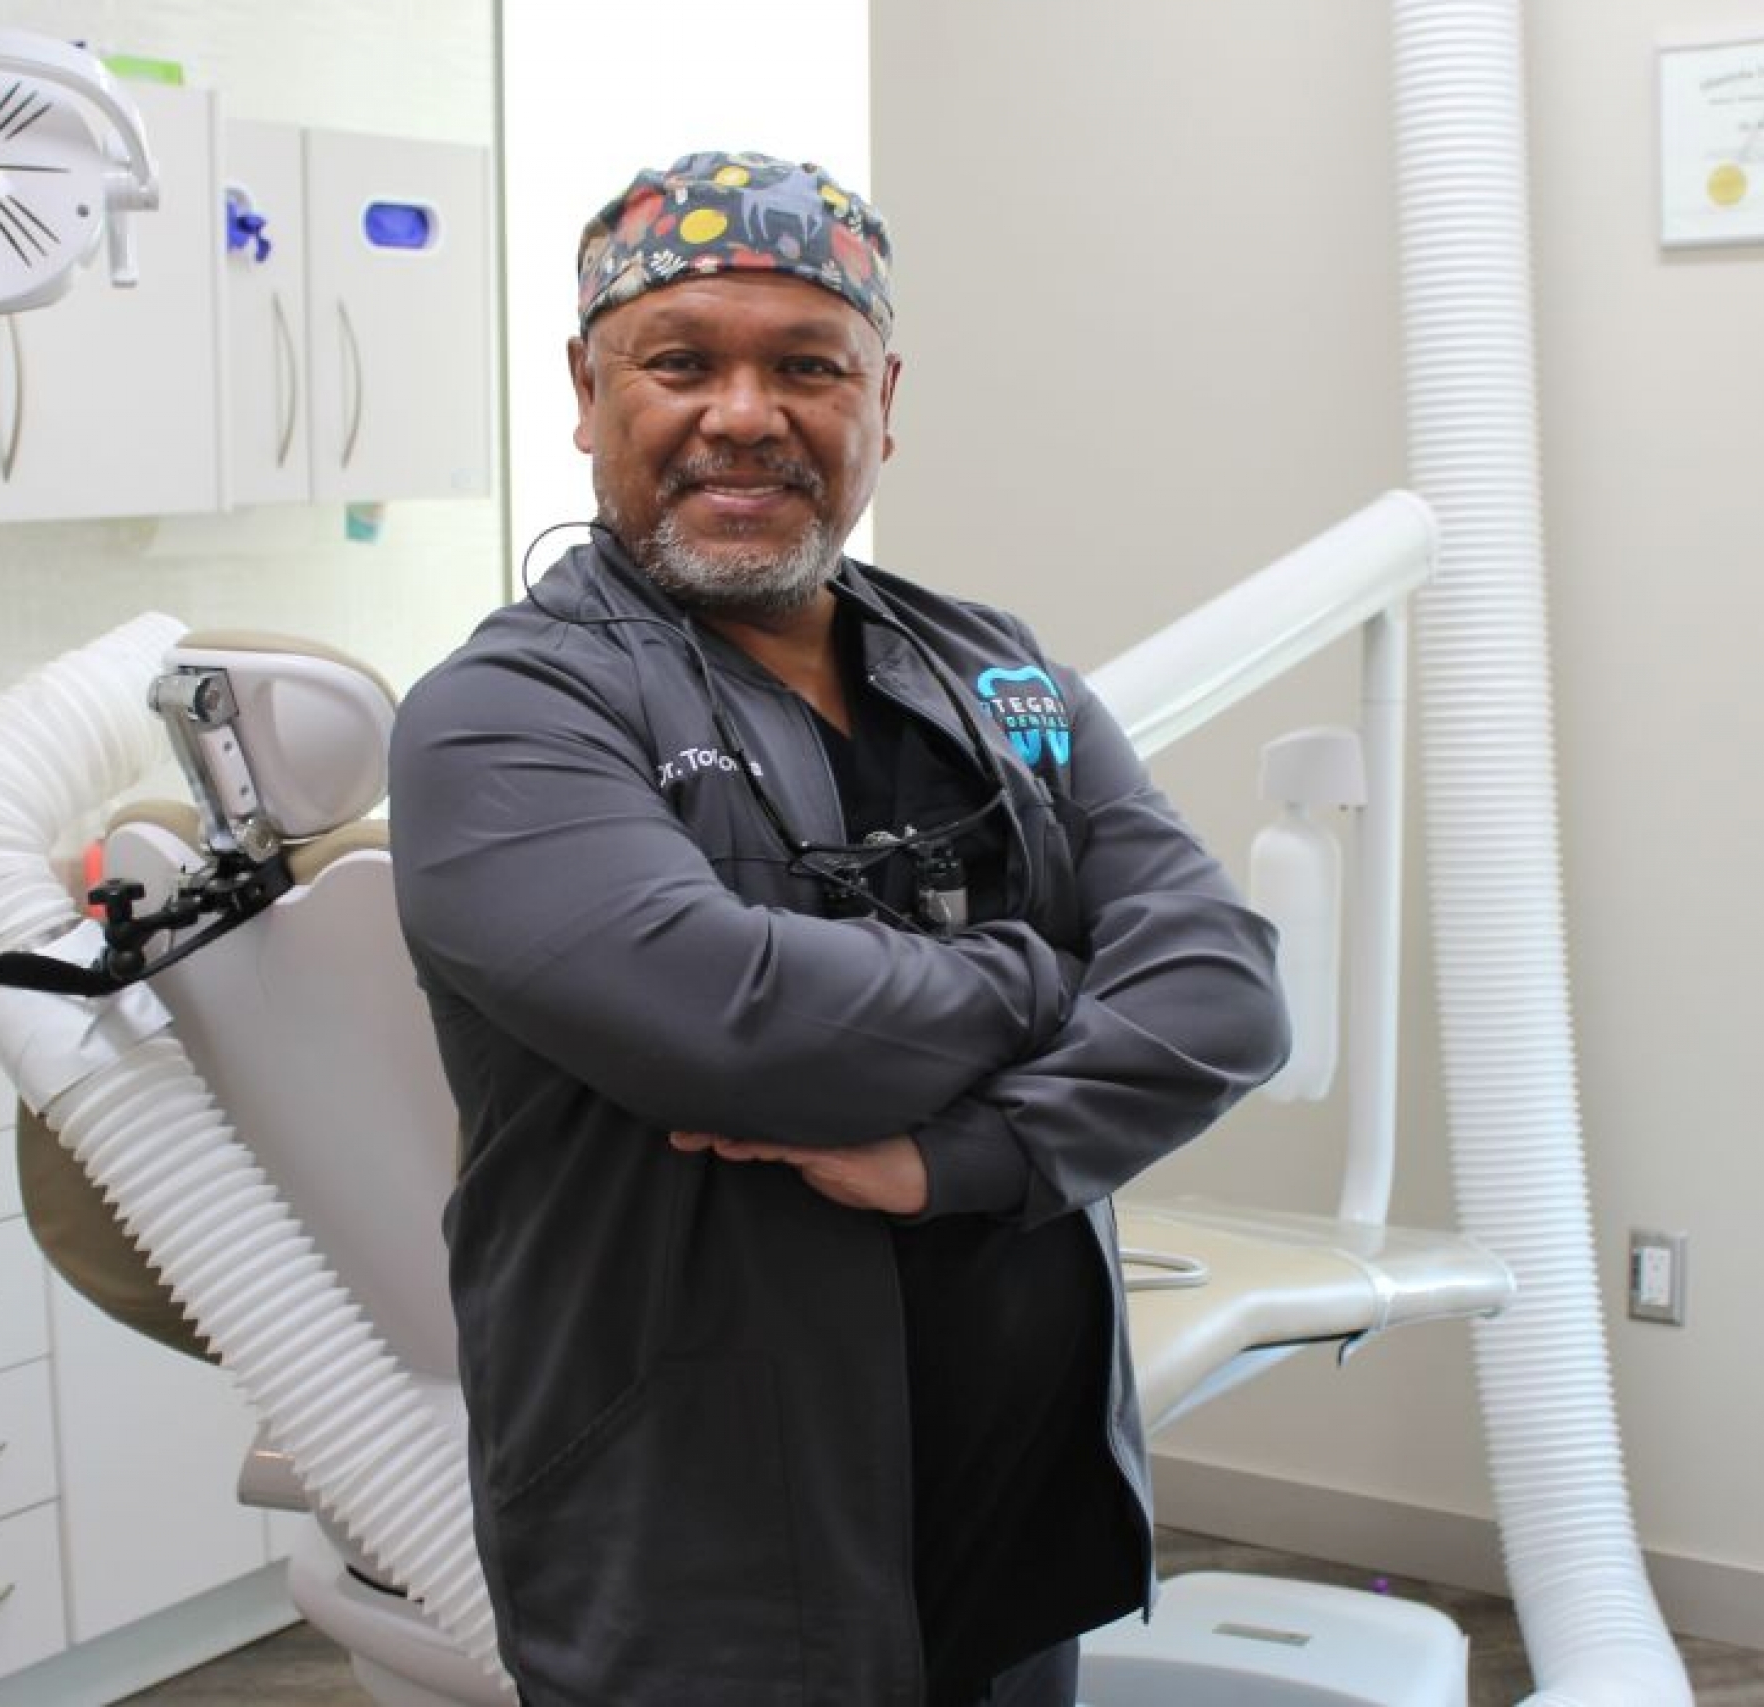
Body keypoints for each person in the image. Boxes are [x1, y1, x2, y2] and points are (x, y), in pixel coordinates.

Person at [387, 150, 1289, 1707]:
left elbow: (1227, 994)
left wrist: (971, 1156)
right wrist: (1053, 972)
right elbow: (739, 1026)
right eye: (681, 364)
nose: (745, 415)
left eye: (808, 366)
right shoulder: (506, 712)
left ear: (883, 400)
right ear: (589, 395)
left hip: (1013, 1507)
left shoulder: (999, 678)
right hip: (701, 1534)